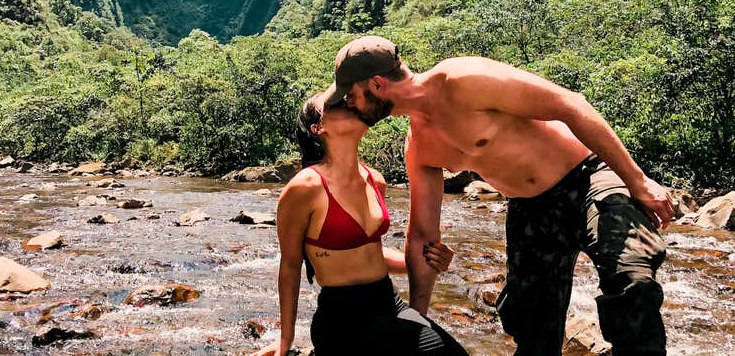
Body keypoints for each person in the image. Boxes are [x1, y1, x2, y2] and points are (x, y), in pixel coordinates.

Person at [323, 36, 672, 356]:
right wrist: (418, 317)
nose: (351, 105)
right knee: (532, 328)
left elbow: (571, 104)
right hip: (529, 208)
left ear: (377, 84)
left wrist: (637, 181)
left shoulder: (463, 80)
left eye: (351, 96)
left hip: (588, 177)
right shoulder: (419, 147)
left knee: (631, 281)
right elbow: (423, 238)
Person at [251, 93, 470, 356]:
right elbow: (289, 265)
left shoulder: (374, 179)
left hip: (389, 303)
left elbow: (370, 253)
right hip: (343, 319)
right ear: (319, 128)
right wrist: (285, 342)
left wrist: (431, 261)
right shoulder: (304, 188)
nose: (349, 104)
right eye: (336, 105)